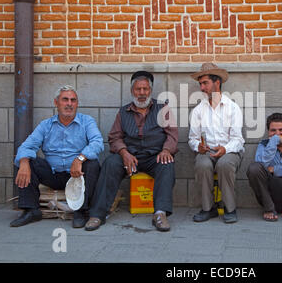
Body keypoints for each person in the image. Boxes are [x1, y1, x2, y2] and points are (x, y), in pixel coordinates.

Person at [86, 71, 178, 232]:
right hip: (129, 156)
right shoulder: (123, 112)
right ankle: (97, 214)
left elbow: (172, 135)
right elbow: (114, 137)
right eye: (138, 89)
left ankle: (160, 213)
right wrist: (124, 153)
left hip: (154, 156)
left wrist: (166, 150)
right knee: (110, 163)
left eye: (145, 89)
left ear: (150, 90)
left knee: (167, 164)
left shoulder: (163, 108)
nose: (142, 93)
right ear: (132, 91)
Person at [11, 85, 103, 228]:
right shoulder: (46, 125)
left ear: (77, 103)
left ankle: (81, 211)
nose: (69, 104)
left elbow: (97, 143)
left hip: (78, 176)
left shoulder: (87, 121)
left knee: (92, 164)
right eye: (65, 100)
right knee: (26, 161)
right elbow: (26, 146)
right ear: (56, 103)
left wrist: (80, 158)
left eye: (73, 100)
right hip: (53, 175)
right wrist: (23, 162)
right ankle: (31, 210)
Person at [188, 63, 245, 224]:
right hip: (207, 151)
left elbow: (238, 139)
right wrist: (197, 146)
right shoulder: (199, 110)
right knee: (202, 165)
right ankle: (208, 209)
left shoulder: (233, 108)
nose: (201, 87)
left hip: (230, 151)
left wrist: (225, 149)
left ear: (217, 83)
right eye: (200, 83)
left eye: (205, 83)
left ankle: (230, 208)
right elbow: (193, 138)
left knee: (224, 165)